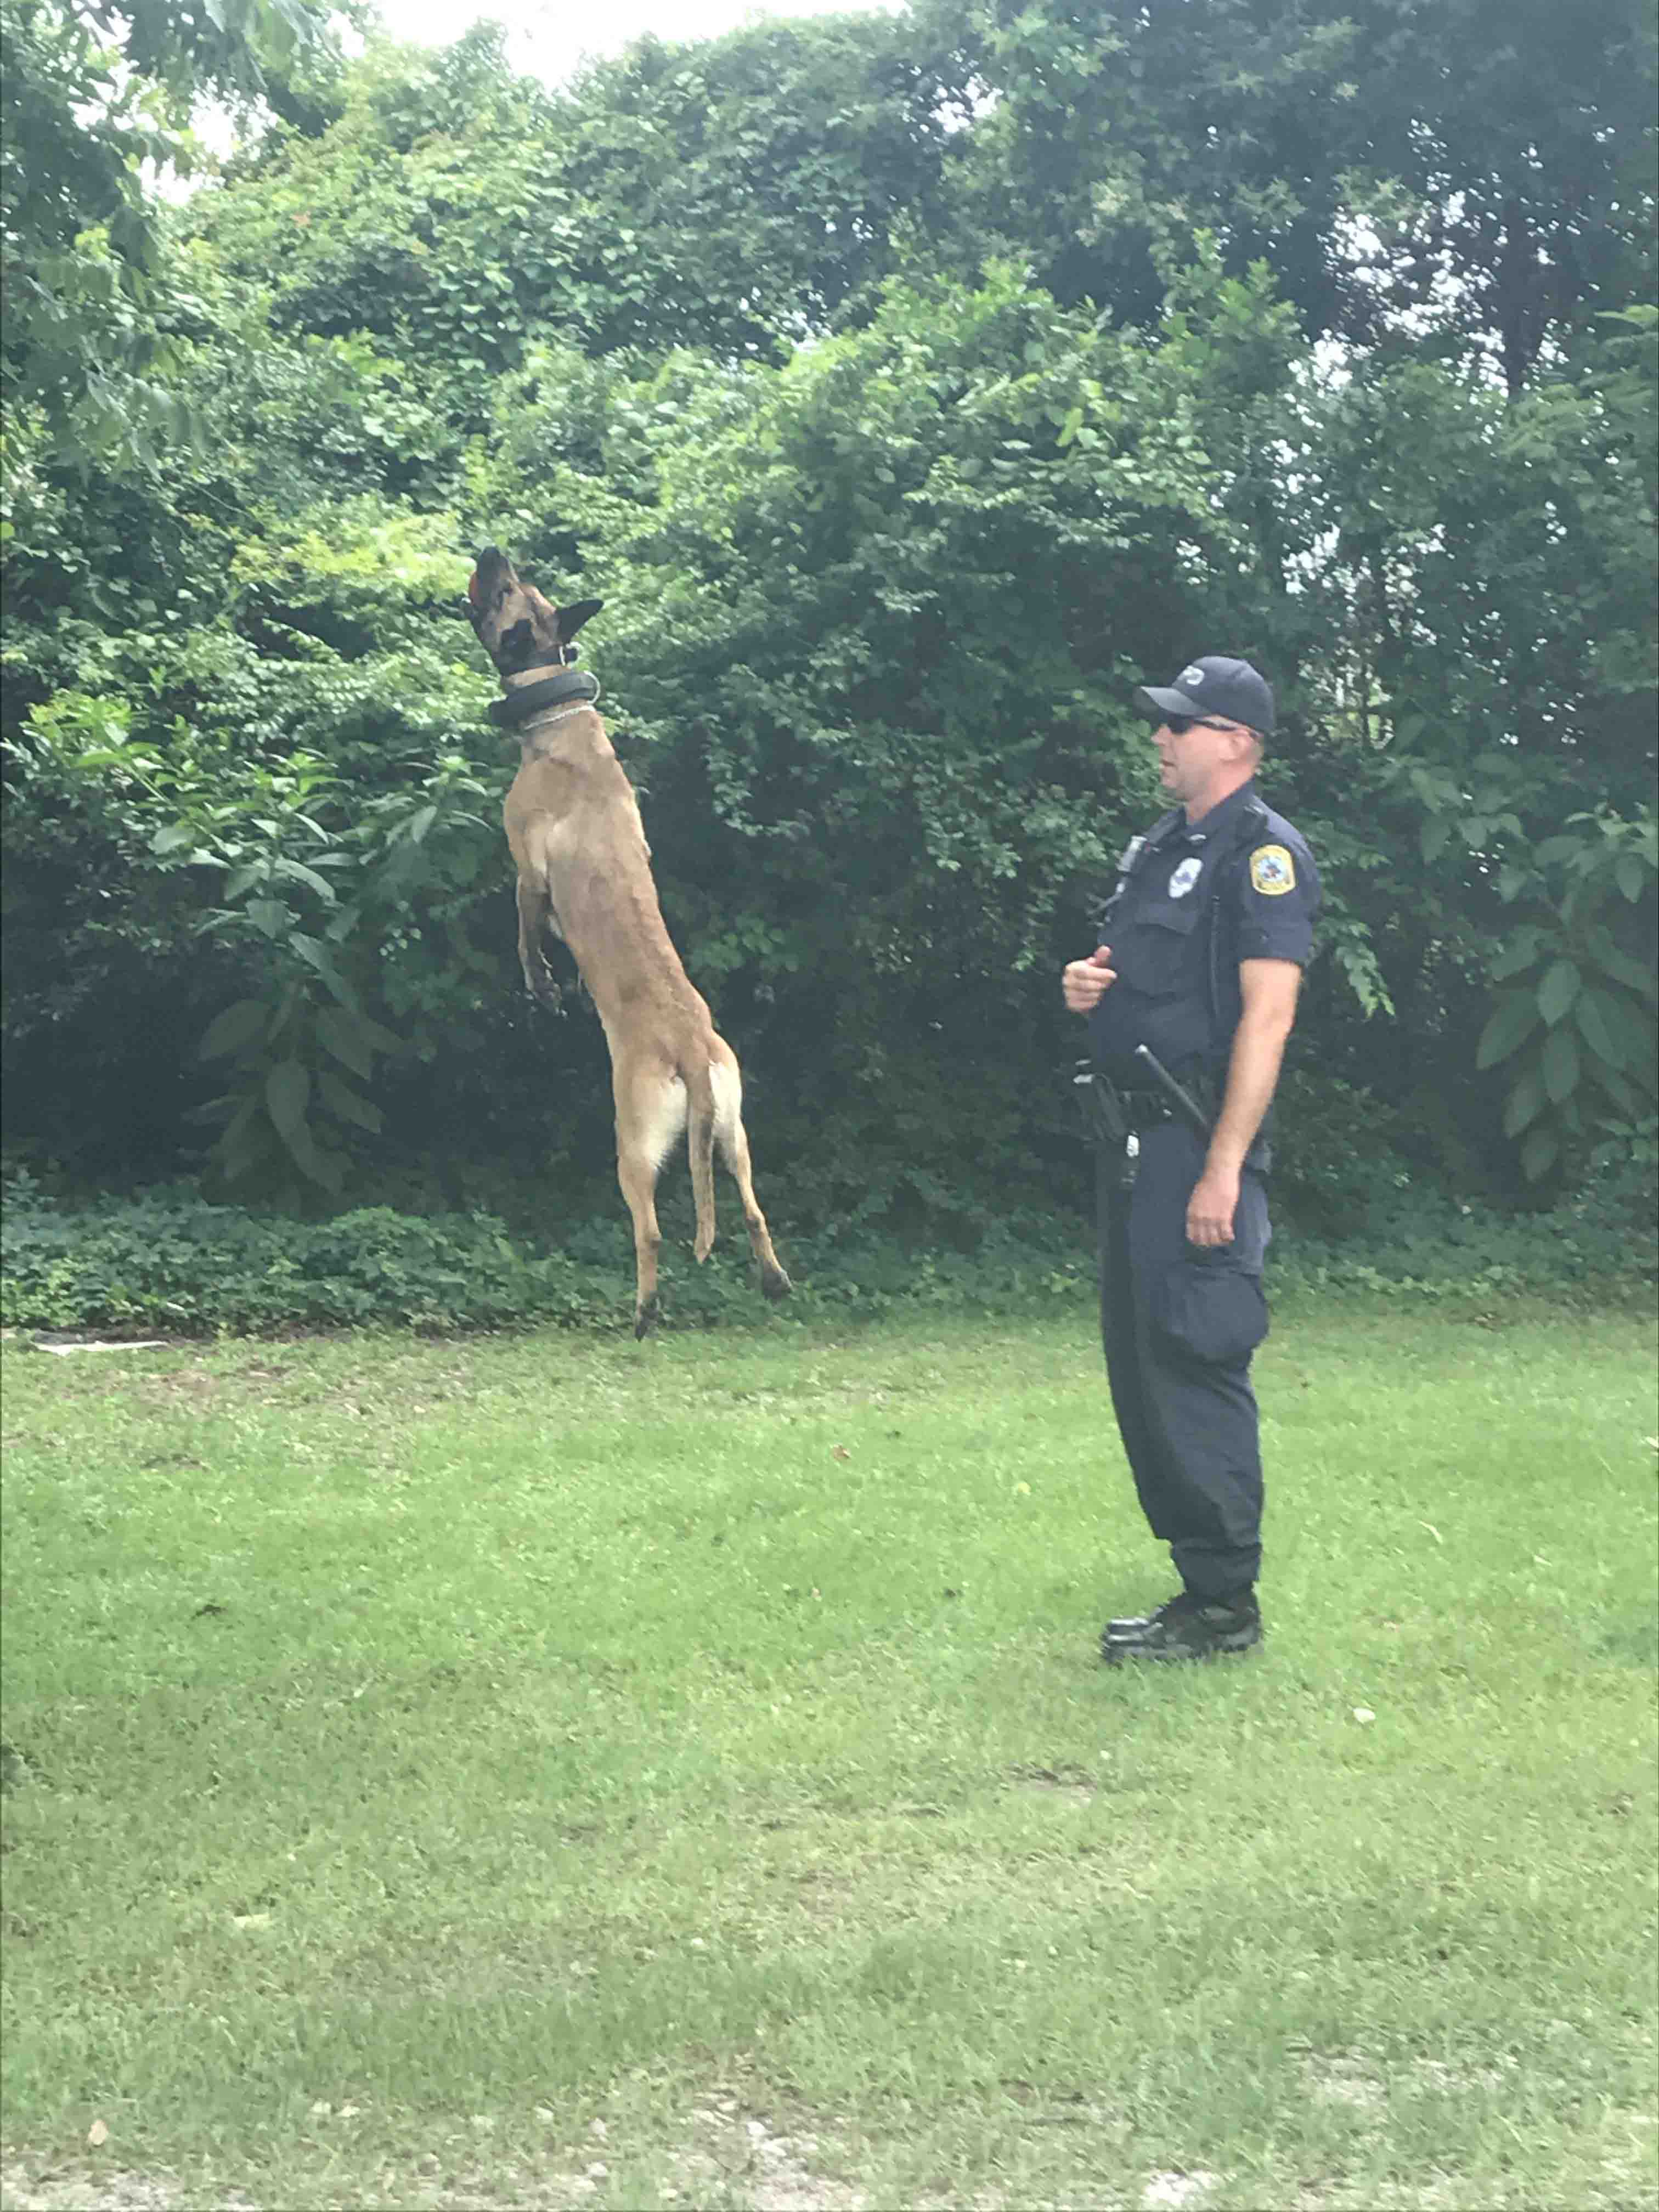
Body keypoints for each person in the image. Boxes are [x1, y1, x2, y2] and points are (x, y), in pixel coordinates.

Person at [1062, 655, 1319, 1663]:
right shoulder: (1165, 845)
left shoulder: (1265, 855)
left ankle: (1226, 1609)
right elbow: (1137, 977)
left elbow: (1268, 1020)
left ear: (1238, 742)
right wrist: (1088, 986)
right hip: (1130, 1142)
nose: (1161, 737)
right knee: (1144, 1366)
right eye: (1162, 722)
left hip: (1193, 1144)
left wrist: (1224, 1166)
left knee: (1195, 1359)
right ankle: (1198, 1585)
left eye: (1182, 723)